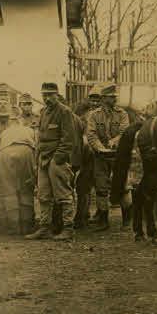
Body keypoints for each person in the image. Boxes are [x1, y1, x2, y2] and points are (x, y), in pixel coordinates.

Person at [25, 83, 77, 241]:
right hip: (43, 158)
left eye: (50, 95)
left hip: (56, 158)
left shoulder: (65, 112)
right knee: (43, 195)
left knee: (64, 195)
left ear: (57, 94)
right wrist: (38, 159)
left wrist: (58, 158)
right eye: (44, 95)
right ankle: (44, 228)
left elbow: (69, 140)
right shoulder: (44, 112)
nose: (46, 98)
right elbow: (40, 138)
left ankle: (68, 229)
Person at [85, 83, 130, 231]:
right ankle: (103, 220)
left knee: (123, 186)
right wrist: (100, 148)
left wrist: (114, 141)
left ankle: (127, 220)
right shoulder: (94, 115)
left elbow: (124, 132)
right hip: (100, 157)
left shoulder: (122, 114)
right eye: (111, 97)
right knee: (101, 188)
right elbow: (91, 134)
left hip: (119, 156)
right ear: (104, 98)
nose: (114, 100)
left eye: (115, 97)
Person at [0, 101, 36, 234]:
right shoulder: (29, 130)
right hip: (25, 150)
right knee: (26, 187)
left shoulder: (5, 132)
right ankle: (27, 225)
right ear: (20, 119)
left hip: (5, 151)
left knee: (9, 188)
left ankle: (13, 226)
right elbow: (36, 147)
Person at [74, 85, 102, 229]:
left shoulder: (105, 116)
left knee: (101, 186)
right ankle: (82, 215)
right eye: (92, 99)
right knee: (83, 186)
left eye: (97, 99)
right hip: (86, 155)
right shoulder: (82, 116)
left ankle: (101, 215)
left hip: (101, 155)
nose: (95, 102)